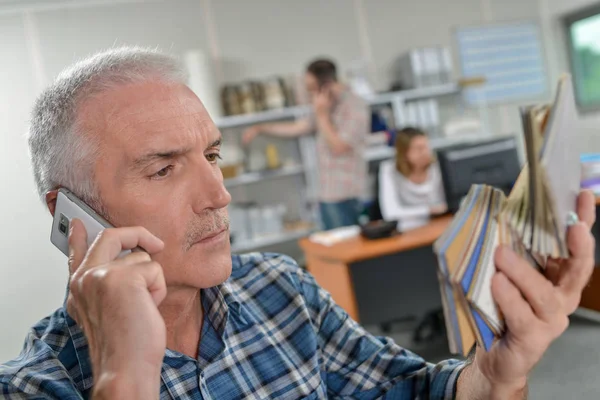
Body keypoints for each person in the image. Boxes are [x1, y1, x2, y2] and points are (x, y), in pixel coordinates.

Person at [0, 47, 595, 400]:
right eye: (162, 169)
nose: (219, 193)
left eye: (212, 155)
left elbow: (417, 391)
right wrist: (123, 375)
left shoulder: (281, 291)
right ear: (69, 219)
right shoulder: (34, 385)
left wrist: (494, 375)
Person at [242, 58, 369, 230]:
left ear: (326, 86)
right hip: (327, 194)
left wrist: (322, 115)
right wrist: (260, 128)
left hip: (347, 195)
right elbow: (297, 128)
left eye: (311, 89)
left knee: (350, 250)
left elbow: (339, 146)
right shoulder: (325, 107)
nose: (310, 95)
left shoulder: (354, 105)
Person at [379, 127, 448, 231]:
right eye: (419, 149)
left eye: (426, 147)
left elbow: (447, 204)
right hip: (409, 230)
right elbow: (390, 213)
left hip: (441, 225)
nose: (425, 152)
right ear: (404, 152)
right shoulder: (389, 170)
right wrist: (428, 210)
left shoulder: (439, 166)